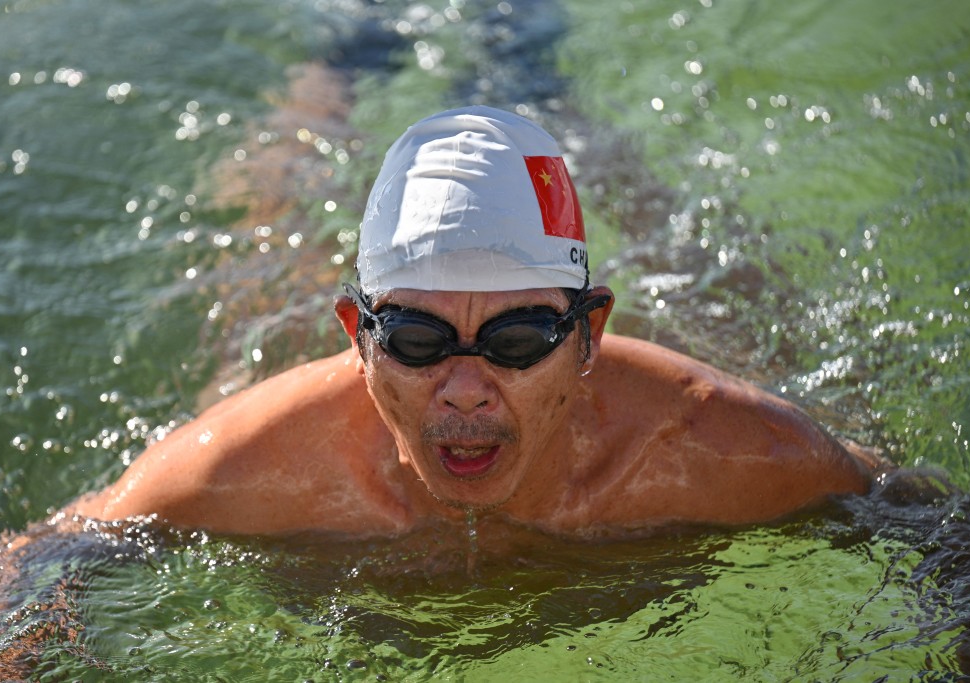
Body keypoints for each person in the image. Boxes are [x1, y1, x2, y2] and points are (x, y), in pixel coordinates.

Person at [67, 106, 885, 538]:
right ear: (357, 334)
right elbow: (38, 561)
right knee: (256, 271)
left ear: (589, 334)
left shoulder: (723, 452)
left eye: (518, 340)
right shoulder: (251, 471)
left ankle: (566, 101)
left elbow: (937, 527)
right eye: (418, 341)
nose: (464, 391)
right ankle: (338, 62)